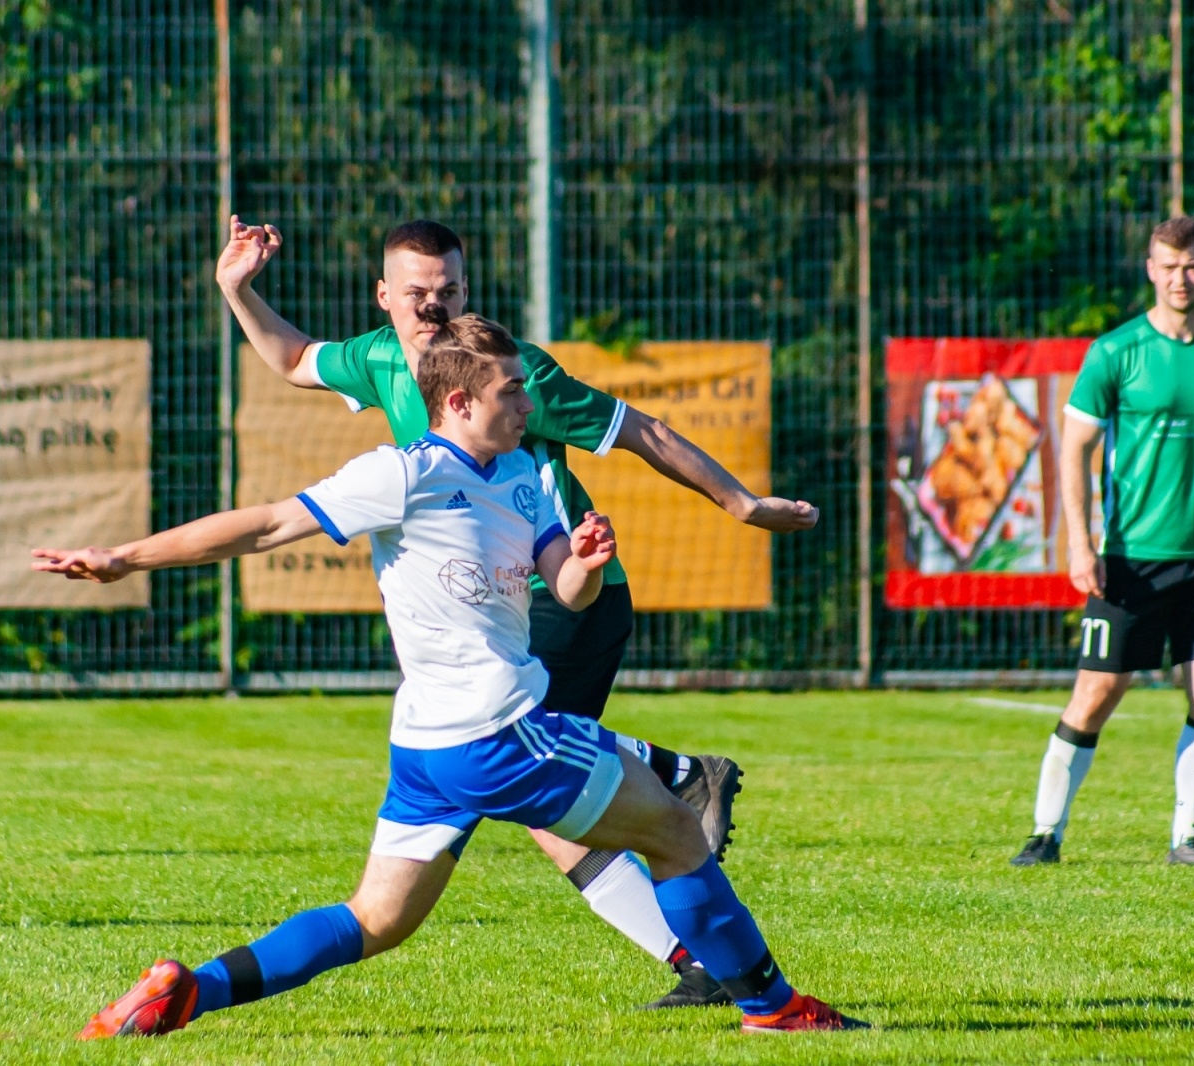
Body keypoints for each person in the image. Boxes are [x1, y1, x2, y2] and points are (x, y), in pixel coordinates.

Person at [36, 316, 867, 1038]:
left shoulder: (525, 476)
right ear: (461, 403)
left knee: (377, 921)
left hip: (430, 749)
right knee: (678, 833)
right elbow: (263, 525)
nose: (528, 403)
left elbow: (566, 591)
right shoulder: (405, 473)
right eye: (511, 391)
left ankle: (190, 993)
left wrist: (579, 563)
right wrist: (124, 557)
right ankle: (773, 1006)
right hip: (498, 732)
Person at [216, 216, 820, 1007]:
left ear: (466, 291)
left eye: (450, 292)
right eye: (417, 294)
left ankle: (682, 803)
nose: (433, 308)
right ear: (385, 298)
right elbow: (294, 359)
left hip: (561, 595)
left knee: (540, 785)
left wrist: (739, 503)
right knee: (549, 811)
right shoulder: (374, 359)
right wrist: (237, 288)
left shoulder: (515, 375)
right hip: (492, 620)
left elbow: (642, 429)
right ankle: (693, 931)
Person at [1010, 216, 1194, 868]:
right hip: (1129, 560)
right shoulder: (1116, 353)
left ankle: (1188, 839)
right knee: (1096, 693)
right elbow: (1076, 448)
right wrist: (1080, 546)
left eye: (1192, 265)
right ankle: (1044, 834)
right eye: (1168, 267)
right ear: (1150, 269)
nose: (1181, 278)